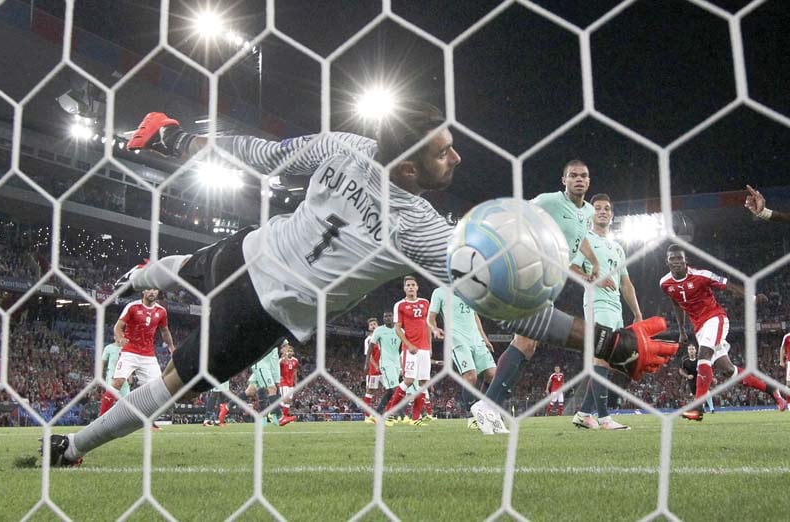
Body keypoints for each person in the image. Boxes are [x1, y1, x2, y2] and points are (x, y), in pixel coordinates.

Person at [41, 104, 677, 466]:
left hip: (249, 250)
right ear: (406, 164)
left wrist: (178, 137)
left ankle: (137, 276)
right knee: (174, 383)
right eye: (442, 152)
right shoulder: (421, 231)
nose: (455, 159)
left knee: (194, 267)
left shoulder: (345, 144)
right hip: (263, 312)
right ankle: (72, 447)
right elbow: (514, 313)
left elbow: (259, 154)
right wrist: (610, 342)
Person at [473, 160, 602, 423]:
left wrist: (594, 262)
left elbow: (581, 237)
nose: (579, 179)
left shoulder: (587, 211)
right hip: (530, 274)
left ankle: (489, 407)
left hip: (550, 280)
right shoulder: (550, 201)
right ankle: (488, 407)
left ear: (589, 181)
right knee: (526, 341)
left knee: (527, 343)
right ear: (563, 180)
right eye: (573, 176)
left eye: (584, 176)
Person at [660, 244, 786, 421]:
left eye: (679, 258)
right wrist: (681, 330)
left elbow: (729, 287)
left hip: (715, 318)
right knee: (728, 370)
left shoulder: (701, 275)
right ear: (667, 261)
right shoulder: (665, 284)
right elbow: (676, 304)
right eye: (672, 258)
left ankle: (697, 407)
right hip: (699, 328)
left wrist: (753, 298)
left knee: (703, 355)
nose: (676, 261)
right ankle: (773, 390)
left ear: (685, 260)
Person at [569, 194, 641, 430]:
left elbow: (626, 283)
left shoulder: (618, 248)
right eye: (597, 208)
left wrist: (638, 314)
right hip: (596, 303)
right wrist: (594, 279)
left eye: (606, 208)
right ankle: (604, 418)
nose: (602, 211)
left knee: (609, 363)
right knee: (601, 357)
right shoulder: (584, 239)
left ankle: (583, 414)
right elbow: (571, 267)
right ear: (591, 214)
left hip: (616, 308)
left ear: (612, 215)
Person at [427, 286, 498, 434]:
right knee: (470, 376)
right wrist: (434, 329)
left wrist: (484, 338)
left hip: (476, 339)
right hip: (457, 339)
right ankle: (472, 417)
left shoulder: (470, 290)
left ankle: (486, 409)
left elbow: (474, 315)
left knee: (493, 374)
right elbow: (431, 317)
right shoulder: (439, 292)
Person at [98, 288, 175, 417]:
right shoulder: (132, 307)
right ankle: (101, 417)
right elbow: (118, 326)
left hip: (148, 355)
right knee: (117, 382)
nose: (152, 292)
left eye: (155, 290)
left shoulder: (161, 311)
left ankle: (148, 420)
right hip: (130, 352)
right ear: (143, 292)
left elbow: (164, 331)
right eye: (149, 289)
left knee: (157, 389)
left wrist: (171, 346)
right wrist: (121, 338)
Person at [383, 276, 432, 426]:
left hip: (424, 348)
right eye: (408, 285)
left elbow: (428, 324)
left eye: (413, 285)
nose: (411, 287)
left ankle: (415, 418)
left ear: (417, 287)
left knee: (423, 383)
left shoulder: (425, 303)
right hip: (410, 349)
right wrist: (408, 344)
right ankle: (389, 413)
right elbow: (397, 328)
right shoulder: (400, 305)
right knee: (409, 380)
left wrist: (430, 347)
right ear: (404, 288)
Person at [367, 311, 402, 425]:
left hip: (396, 363)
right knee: (396, 389)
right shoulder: (379, 330)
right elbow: (371, 347)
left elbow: (406, 344)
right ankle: (400, 415)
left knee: (390, 392)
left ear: (393, 317)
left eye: (389, 316)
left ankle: (376, 415)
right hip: (386, 364)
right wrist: (367, 362)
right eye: (385, 316)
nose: (387, 318)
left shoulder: (400, 330)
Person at [245, 341, 283, 426]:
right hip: (262, 368)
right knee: (264, 393)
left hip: (269, 368)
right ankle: (267, 419)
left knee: (271, 392)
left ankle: (271, 418)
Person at [678, 342, 714, 413]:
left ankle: (712, 409)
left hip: (700, 377)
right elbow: (680, 370)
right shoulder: (684, 360)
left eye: (692, 349)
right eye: (690, 349)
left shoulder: (700, 359)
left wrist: (711, 376)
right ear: (688, 351)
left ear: (695, 350)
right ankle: (702, 408)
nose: (691, 350)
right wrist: (687, 376)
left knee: (707, 392)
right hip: (691, 380)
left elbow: (706, 367)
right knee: (697, 395)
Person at [362, 317, 381, 420]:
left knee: (391, 390)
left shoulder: (382, 337)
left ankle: (390, 415)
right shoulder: (368, 340)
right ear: (369, 328)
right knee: (370, 391)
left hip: (385, 369)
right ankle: (367, 416)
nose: (373, 326)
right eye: (371, 325)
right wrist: (376, 366)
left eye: (375, 324)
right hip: (374, 370)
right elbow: (369, 356)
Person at [278, 343, 300, 426]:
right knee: (285, 400)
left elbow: (295, 371)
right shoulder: (282, 360)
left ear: (293, 352)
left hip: (291, 384)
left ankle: (284, 417)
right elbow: (277, 370)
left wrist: (296, 382)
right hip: (284, 383)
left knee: (288, 401)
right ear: (286, 352)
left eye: (291, 351)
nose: (290, 352)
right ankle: (279, 416)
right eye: (288, 351)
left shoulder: (295, 360)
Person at [779, 332, 790, 403]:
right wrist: (781, 361)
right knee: (788, 384)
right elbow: (782, 348)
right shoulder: (787, 336)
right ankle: (789, 403)